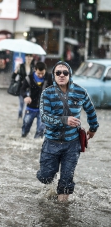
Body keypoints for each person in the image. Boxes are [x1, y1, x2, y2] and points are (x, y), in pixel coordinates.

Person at [37, 61, 99, 202]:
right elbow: (44, 117)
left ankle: (61, 212)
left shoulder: (80, 91)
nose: (62, 75)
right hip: (51, 142)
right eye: (58, 72)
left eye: (65, 72)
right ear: (54, 75)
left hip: (72, 144)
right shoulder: (47, 93)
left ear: (70, 75)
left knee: (66, 180)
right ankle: (48, 180)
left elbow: (90, 110)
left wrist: (93, 128)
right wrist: (64, 120)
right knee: (45, 177)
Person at [20, 62, 53, 138]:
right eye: (39, 74)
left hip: (44, 109)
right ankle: (23, 137)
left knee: (41, 130)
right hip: (30, 107)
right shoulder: (29, 78)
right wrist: (25, 96)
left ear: (45, 70)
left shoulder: (50, 78)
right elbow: (22, 89)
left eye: (42, 73)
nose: (41, 75)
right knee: (25, 127)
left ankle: (36, 145)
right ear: (35, 70)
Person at [11, 53, 34, 120]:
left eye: (30, 57)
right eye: (28, 57)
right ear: (25, 57)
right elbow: (13, 76)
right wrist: (16, 70)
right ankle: (20, 118)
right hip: (22, 88)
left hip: (30, 89)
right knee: (21, 105)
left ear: (32, 58)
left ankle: (26, 118)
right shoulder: (21, 66)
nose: (29, 58)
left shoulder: (33, 67)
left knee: (28, 105)